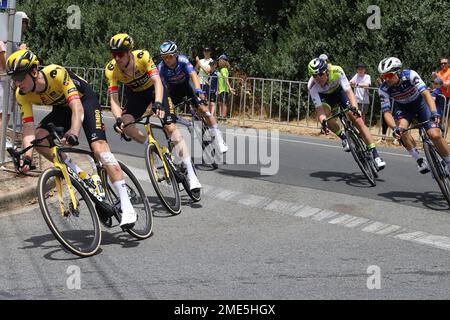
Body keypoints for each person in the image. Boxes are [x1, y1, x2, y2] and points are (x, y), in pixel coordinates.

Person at [6, 49, 137, 227]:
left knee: (99, 149)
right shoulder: (22, 94)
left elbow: (77, 108)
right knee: (40, 140)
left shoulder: (55, 73)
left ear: (34, 71)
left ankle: (127, 205)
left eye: (20, 76)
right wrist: (27, 158)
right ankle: (77, 172)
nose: (17, 82)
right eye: (14, 78)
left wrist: (74, 132)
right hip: (62, 109)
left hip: (84, 101)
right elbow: (28, 128)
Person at [105, 34, 204, 192]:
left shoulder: (142, 57)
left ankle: (192, 175)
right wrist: (118, 119)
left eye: (121, 54)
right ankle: (154, 150)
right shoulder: (111, 70)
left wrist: (157, 102)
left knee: (171, 129)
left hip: (155, 91)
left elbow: (158, 81)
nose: (117, 58)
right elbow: (114, 99)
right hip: (136, 96)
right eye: (114, 54)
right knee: (126, 125)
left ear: (129, 52)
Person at [307, 57, 386, 170]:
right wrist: (323, 122)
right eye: (314, 75)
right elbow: (319, 110)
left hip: (340, 93)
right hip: (325, 98)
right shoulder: (312, 85)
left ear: (326, 71)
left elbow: (349, 92)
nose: (317, 78)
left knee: (357, 119)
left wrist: (355, 108)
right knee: (326, 118)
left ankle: (375, 155)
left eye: (320, 74)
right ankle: (343, 137)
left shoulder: (337, 71)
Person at [378, 57, 450, 174]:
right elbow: (386, 112)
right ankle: (419, 159)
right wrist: (394, 128)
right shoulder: (383, 89)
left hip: (420, 104)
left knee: (434, 134)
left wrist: (433, 112)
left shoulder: (410, 75)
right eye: (383, 77)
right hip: (403, 108)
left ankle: (448, 162)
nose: (386, 79)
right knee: (401, 130)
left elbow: (426, 93)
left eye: (389, 75)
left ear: (398, 72)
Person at [157, 40, 228, 156]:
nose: (167, 60)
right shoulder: (161, 68)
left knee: (204, 110)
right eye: (164, 57)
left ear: (175, 55)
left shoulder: (183, 60)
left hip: (187, 86)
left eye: (169, 57)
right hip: (173, 90)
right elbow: (162, 87)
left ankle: (219, 140)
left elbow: (193, 75)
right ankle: (177, 141)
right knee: (168, 119)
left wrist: (198, 90)